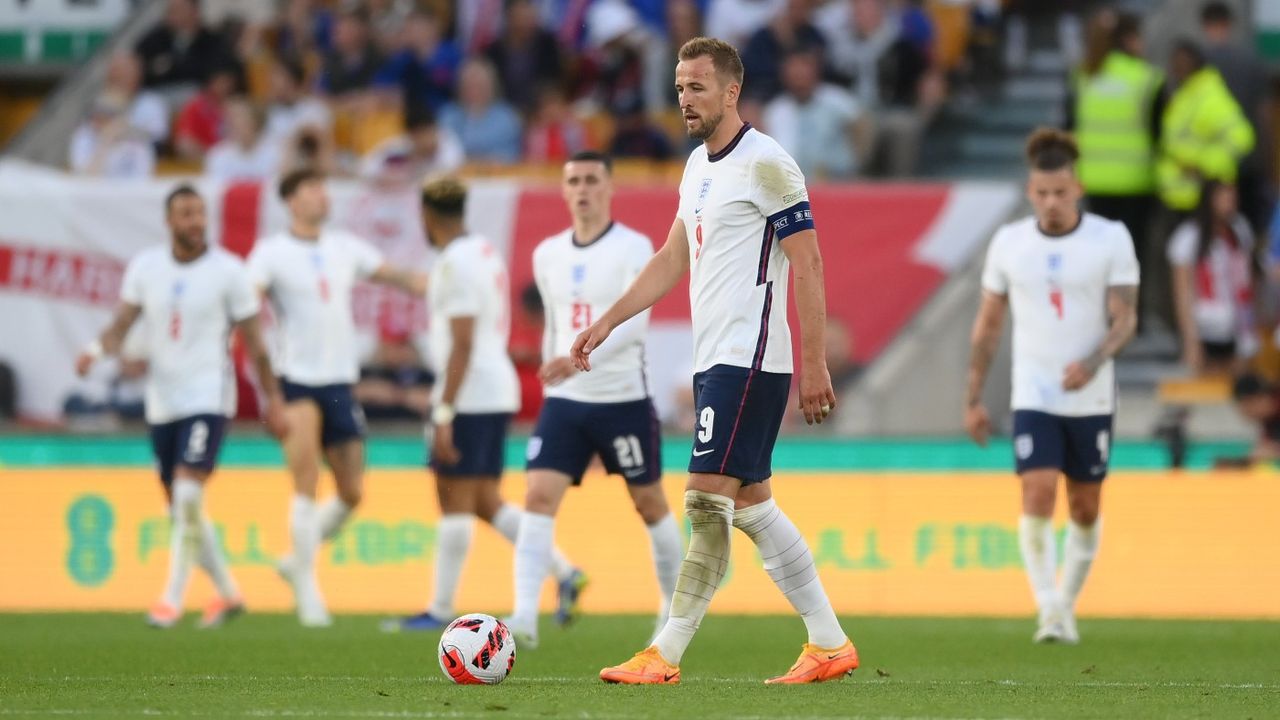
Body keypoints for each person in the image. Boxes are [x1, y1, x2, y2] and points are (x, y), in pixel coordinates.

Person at [578, 37, 855, 685]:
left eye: (697, 87)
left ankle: (664, 653)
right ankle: (829, 644)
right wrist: (609, 320)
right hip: (716, 360)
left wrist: (815, 365)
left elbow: (809, 262)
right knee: (752, 506)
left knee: (706, 503)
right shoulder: (698, 165)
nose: (685, 99)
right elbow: (673, 258)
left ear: (732, 91)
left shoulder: (768, 163)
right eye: (679, 87)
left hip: (751, 356)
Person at [76, 185, 288, 629]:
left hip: (208, 397)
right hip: (163, 402)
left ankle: (170, 600)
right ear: (169, 221)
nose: (195, 221)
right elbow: (121, 324)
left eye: (199, 213)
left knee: (189, 493)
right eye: (185, 214)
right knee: (181, 508)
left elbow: (256, 343)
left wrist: (274, 400)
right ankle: (229, 594)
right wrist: (96, 351)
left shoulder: (230, 271)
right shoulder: (146, 267)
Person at [965, 129, 1140, 645]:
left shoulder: (1110, 238)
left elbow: (1126, 318)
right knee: (1037, 491)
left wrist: (1092, 361)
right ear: (1029, 192)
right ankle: (1048, 608)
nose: (1051, 203)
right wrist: (973, 396)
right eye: (1042, 193)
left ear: (1077, 188)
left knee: (1084, 506)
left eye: (1060, 193)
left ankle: (1066, 604)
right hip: (1034, 393)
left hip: (1091, 395)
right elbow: (989, 324)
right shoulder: (1010, 242)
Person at [507, 152, 684, 649]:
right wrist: (553, 372)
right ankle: (524, 617)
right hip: (565, 401)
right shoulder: (547, 254)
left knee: (649, 503)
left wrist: (576, 355)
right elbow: (554, 326)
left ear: (609, 188)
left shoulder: (633, 247)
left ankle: (673, 614)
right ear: (564, 192)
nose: (583, 189)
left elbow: (635, 325)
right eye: (574, 181)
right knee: (537, 497)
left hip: (621, 397)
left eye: (591, 180)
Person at [387, 178, 581, 632]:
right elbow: (433, 288)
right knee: (486, 502)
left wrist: (443, 412)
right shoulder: (481, 252)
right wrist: (382, 272)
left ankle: (437, 609)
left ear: (426, 217)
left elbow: (461, 342)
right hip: (494, 389)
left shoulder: (454, 264)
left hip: (470, 394)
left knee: (453, 496)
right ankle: (566, 571)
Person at [247, 169, 426, 627]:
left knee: (351, 492)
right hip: (296, 381)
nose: (322, 195)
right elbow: (247, 301)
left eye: (324, 187)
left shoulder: (344, 247)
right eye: (311, 188)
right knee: (305, 483)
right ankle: (307, 593)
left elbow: (399, 277)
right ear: (291, 200)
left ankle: (294, 562)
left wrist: (441, 278)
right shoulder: (271, 253)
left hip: (339, 382)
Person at [1067, 11, 1163, 301]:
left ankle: (1102, 315)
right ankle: (1131, 319)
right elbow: (1160, 132)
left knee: (1100, 255)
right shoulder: (1147, 77)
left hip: (1094, 179)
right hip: (1136, 180)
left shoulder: (1084, 75)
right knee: (1132, 255)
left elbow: (1069, 126)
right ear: (1129, 40)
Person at [1168, 181, 1258, 375]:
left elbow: (1248, 280)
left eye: (1233, 199)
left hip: (1237, 324)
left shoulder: (1240, 230)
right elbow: (1182, 292)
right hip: (1206, 325)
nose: (1229, 205)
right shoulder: (1189, 236)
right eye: (1223, 199)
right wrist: (1190, 340)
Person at [1200, 1, 1275, 232]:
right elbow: (1265, 111)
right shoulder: (1252, 61)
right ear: (1229, 24)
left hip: (1213, 160)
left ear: (1205, 26)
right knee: (1250, 224)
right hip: (1250, 157)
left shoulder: (1200, 63)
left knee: (1216, 227)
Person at [438, 58, 523, 164]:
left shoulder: (507, 118)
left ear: (491, 87)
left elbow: (510, 157)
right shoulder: (448, 115)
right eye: (469, 85)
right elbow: (442, 154)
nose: (474, 90)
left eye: (479, 85)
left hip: (497, 176)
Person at [205, 98, 280, 181]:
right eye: (230, 120)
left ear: (256, 123)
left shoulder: (276, 152)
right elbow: (214, 188)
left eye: (240, 118)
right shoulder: (218, 154)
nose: (234, 124)